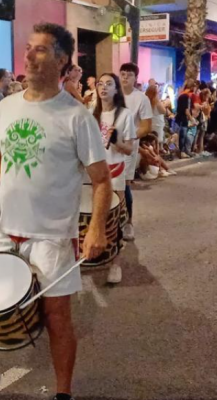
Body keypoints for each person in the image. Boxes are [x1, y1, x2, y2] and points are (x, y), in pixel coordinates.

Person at [0, 23, 111, 400]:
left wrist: (96, 229)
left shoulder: (76, 117)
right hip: (4, 227)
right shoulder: (6, 107)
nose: (29, 55)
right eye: (28, 48)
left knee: (57, 319)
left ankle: (62, 393)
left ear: (60, 60)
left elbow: (101, 181)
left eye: (40, 50)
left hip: (51, 235)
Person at [92, 73, 135, 283]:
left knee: (114, 220)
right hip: (92, 174)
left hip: (114, 173)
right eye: (100, 84)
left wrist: (117, 141)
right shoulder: (91, 115)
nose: (104, 87)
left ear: (116, 89)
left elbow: (129, 149)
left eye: (109, 84)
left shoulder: (124, 115)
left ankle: (115, 264)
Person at [119, 63, 152, 241]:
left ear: (135, 78)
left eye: (129, 75)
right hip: (108, 147)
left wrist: (129, 138)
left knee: (124, 184)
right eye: (122, 74)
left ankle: (128, 222)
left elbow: (146, 126)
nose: (125, 78)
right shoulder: (112, 95)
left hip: (128, 149)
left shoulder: (141, 99)